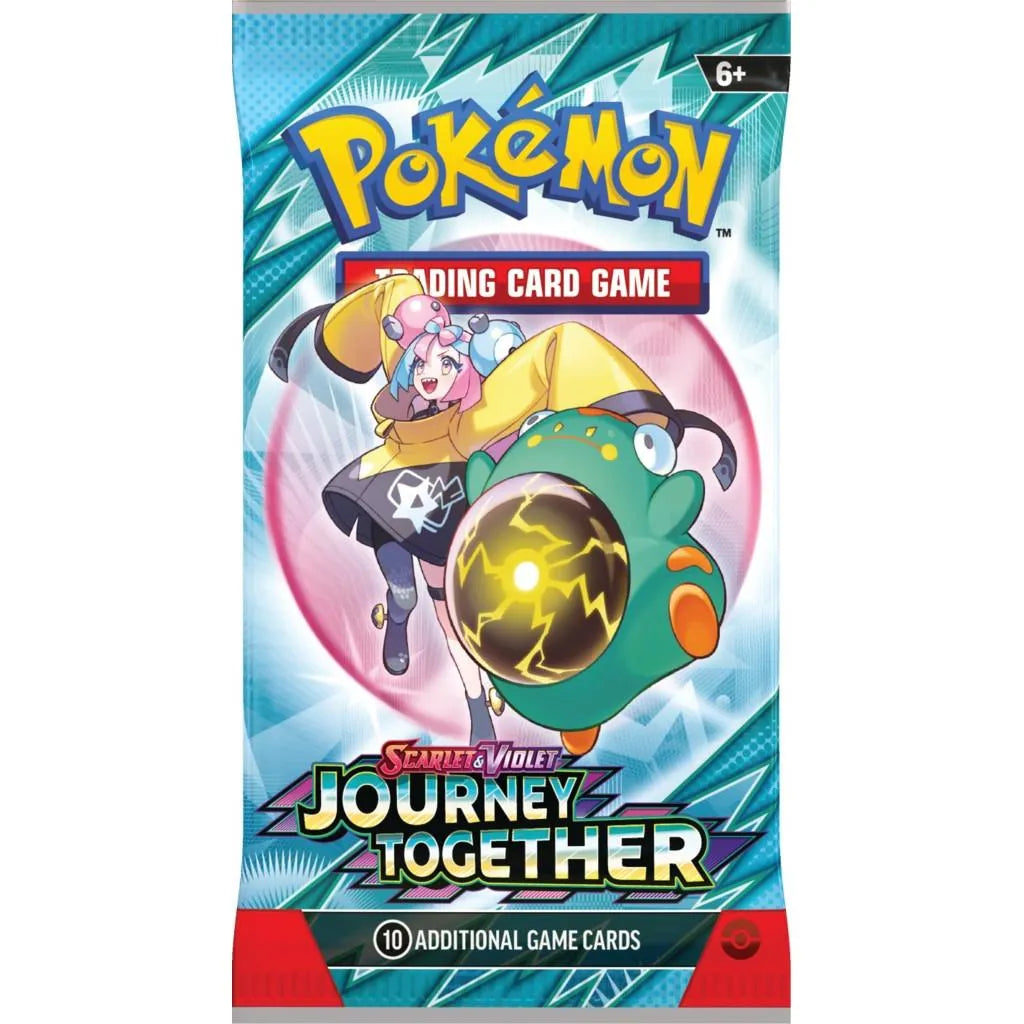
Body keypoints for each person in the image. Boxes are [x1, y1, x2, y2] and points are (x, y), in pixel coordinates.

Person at [269, 274, 737, 744]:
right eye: (423, 363)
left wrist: (643, 428)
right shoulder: (409, 362)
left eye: (448, 363)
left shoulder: (477, 416)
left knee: (454, 615)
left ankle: (478, 708)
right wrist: (316, 337)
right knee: (404, 590)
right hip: (390, 481)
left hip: (452, 494)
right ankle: (397, 613)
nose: (433, 372)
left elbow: (562, 346)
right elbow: (391, 297)